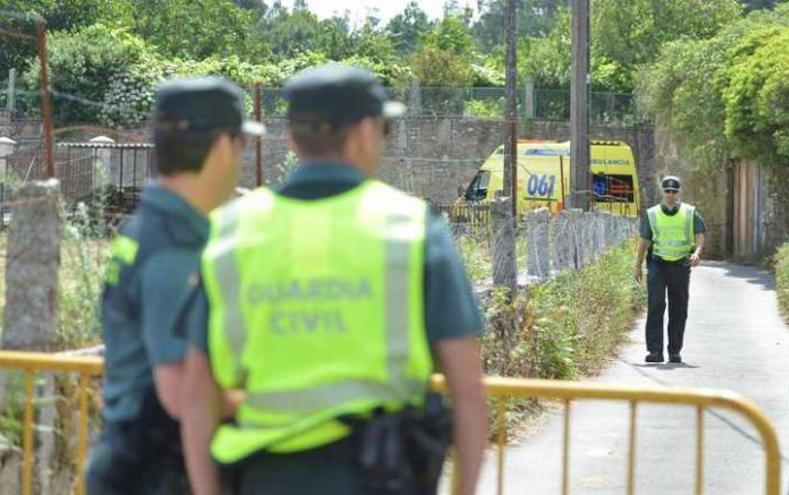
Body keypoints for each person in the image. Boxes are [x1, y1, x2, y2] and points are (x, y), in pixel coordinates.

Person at [180, 64, 489, 495]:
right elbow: (469, 394)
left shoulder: (229, 233)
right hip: (383, 476)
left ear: (290, 139)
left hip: (264, 478)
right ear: (364, 131)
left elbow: (196, 396)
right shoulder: (413, 229)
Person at [86, 78, 264, 494]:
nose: (240, 158)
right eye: (241, 145)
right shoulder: (174, 248)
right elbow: (184, 396)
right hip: (157, 470)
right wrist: (274, 405)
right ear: (221, 146)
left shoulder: (149, 227)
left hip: (131, 458)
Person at [633, 175, 706, 363]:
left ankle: (674, 351)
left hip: (680, 266)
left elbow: (700, 235)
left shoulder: (690, 212)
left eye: (674, 192)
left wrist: (697, 253)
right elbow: (644, 242)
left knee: (678, 309)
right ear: (662, 192)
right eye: (667, 191)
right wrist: (638, 265)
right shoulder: (652, 214)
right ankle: (655, 351)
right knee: (656, 305)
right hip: (658, 265)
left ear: (679, 192)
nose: (671, 195)